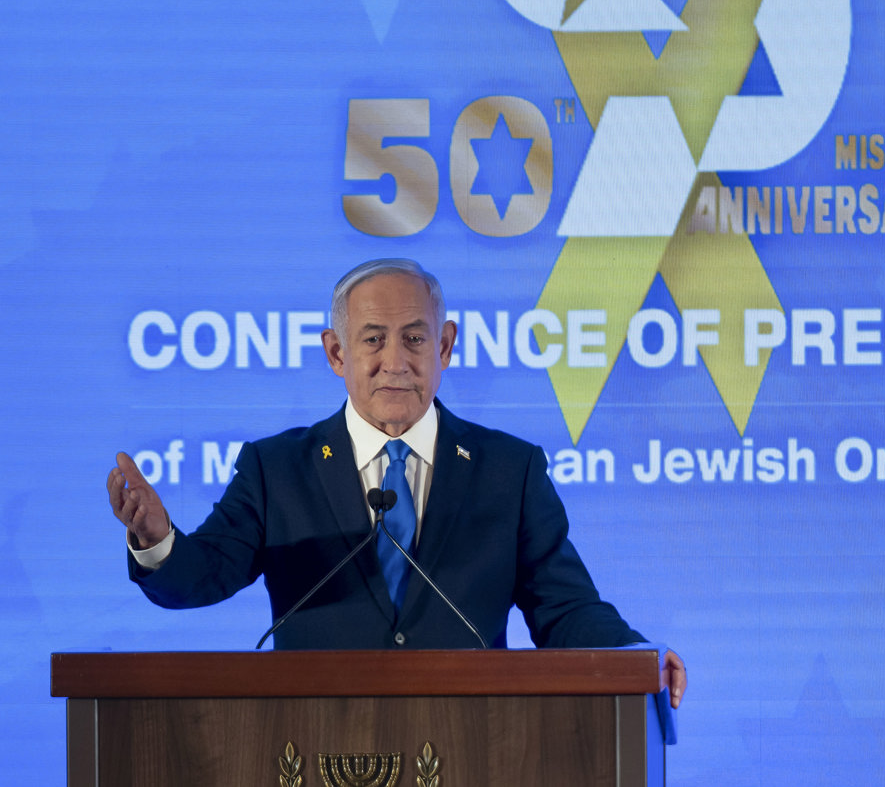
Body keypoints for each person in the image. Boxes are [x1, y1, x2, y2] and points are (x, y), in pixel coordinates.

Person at [108, 258, 685, 707]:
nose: (395, 360)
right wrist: (158, 540)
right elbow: (201, 578)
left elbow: (565, 609)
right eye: (372, 339)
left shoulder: (510, 471)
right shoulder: (277, 469)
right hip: (310, 746)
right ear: (337, 352)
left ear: (445, 345)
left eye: (414, 338)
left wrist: (635, 657)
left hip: (474, 745)